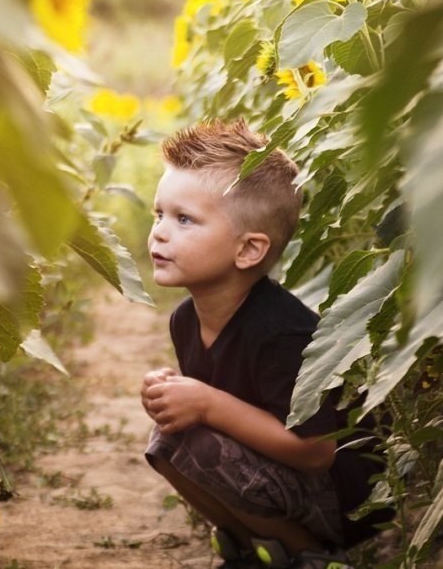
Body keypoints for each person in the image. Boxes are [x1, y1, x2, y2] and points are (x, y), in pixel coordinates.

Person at [140, 119, 390, 569]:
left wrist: (207, 404)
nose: (159, 231)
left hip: (348, 497)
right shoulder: (185, 320)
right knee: (168, 437)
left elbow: (316, 452)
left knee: (200, 444)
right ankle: (253, 550)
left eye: (184, 219)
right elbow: (221, 413)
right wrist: (177, 399)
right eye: (159, 214)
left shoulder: (281, 332)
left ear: (249, 250)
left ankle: (309, 557)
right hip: (283, 479)